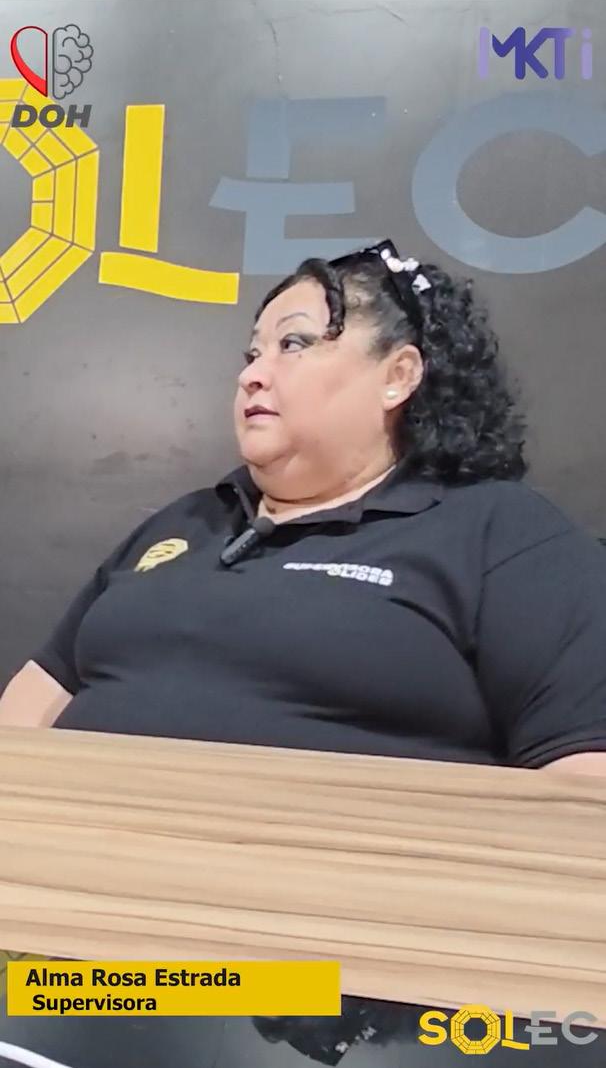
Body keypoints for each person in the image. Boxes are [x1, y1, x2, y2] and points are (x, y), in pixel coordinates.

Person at [1, 239, 606, 1064]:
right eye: (250, 354)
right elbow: (31, 710)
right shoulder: (183, 523)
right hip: (68, 943)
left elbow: (582, 798)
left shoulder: (499, 532)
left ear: (398, 376)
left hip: (312, 986)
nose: (254, 374)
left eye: (293, 344)